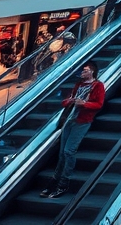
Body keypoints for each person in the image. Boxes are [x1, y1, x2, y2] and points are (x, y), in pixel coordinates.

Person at [41, 63, 105, 198]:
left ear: (92, 72)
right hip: (69, 121)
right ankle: (55, 180)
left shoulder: (98, 86)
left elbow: (99, 104)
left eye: (85, 70)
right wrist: (69, 101)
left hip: (82, 122)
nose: (83, 72)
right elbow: (65, 102)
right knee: (62, 154)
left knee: (69, 151)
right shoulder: (78, 85)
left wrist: (84, 104)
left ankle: (64, 183)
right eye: (83, 70)